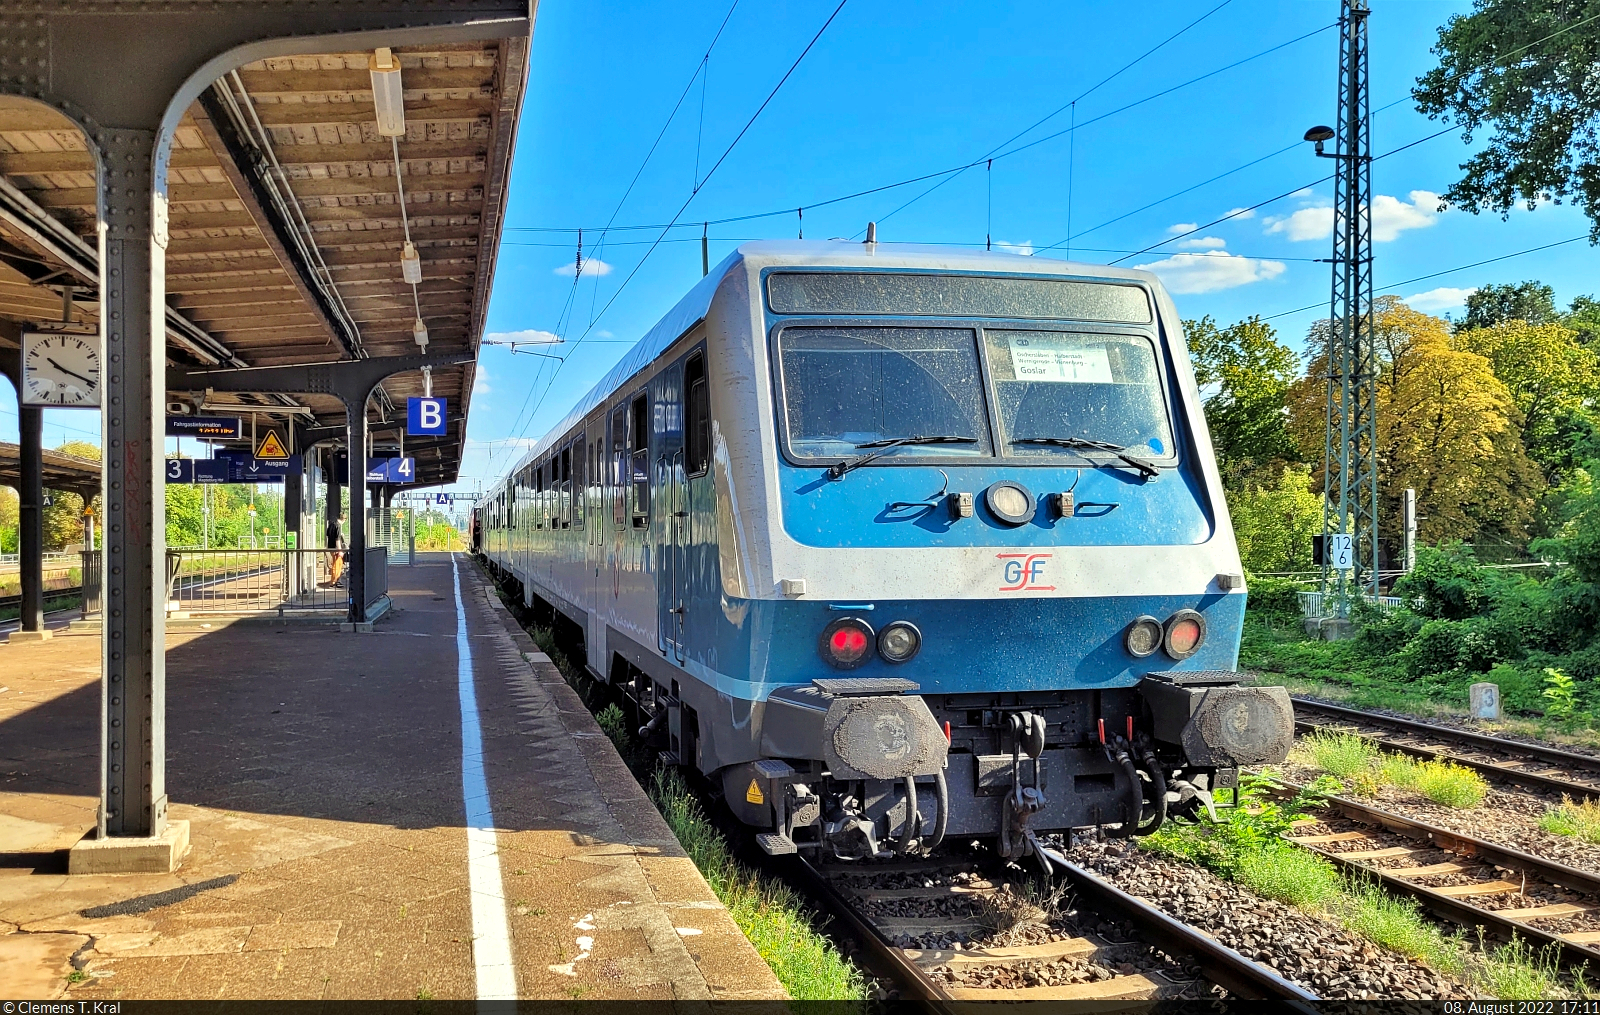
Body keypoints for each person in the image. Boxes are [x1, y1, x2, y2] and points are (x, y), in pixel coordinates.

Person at [327, 511, 346, 586]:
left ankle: (333, 580)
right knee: (338, 564)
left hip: (331, 547)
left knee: (334, 563)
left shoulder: (331, 524)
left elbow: (328, 534)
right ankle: (335, 581)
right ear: (343, 519)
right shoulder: (338, 526)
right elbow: (337, 539)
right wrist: (340, 550)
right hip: (336, 548)